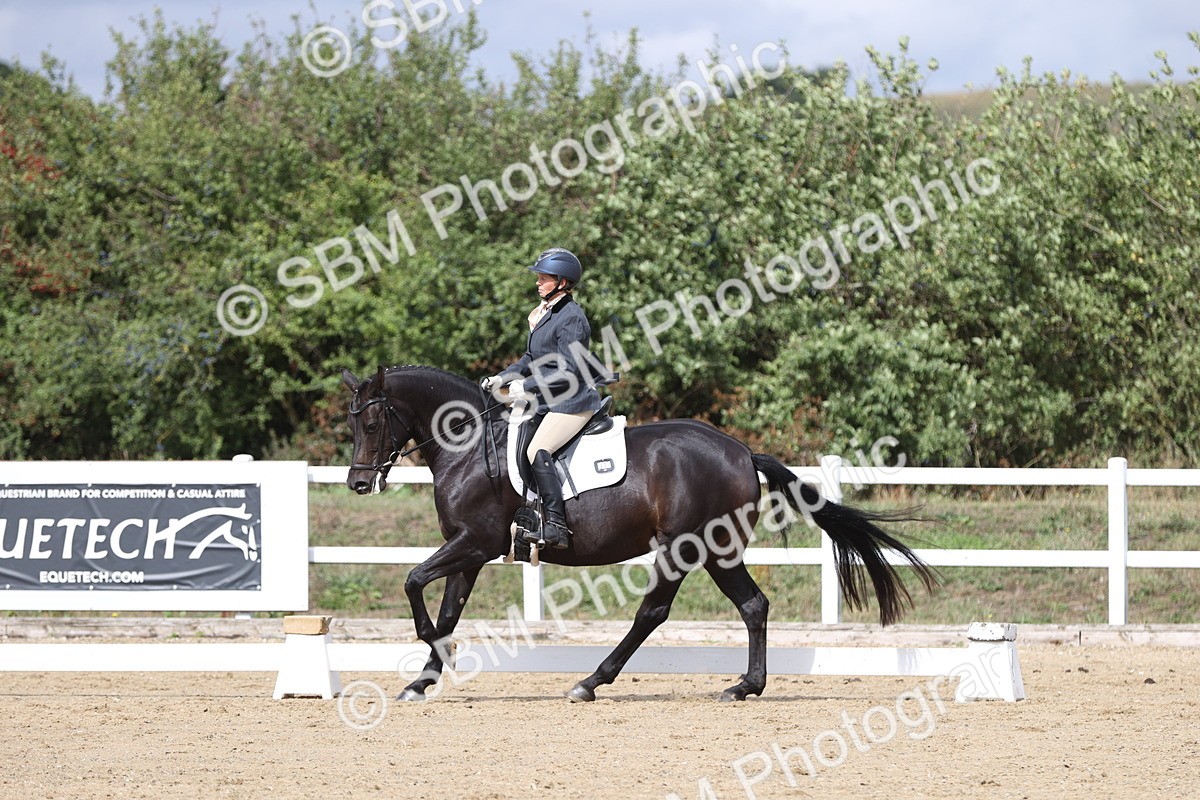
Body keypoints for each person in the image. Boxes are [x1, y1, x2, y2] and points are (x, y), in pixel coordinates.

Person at [481, 248, 602, 549]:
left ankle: (557, 527)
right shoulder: (546, 314)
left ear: (562, 282)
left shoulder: (572, 318)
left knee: (538, 449)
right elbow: (529, 358)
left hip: (572, 401)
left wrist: (528, 386)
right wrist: (504, 377)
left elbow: (569, 369)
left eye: (544, 277)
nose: (538, 282)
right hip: (547, 399)